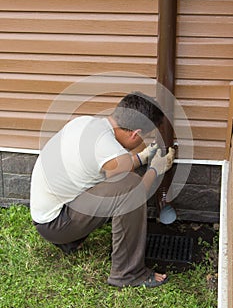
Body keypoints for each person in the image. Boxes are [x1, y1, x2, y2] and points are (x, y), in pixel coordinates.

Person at [30, 91, 175, 288]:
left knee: (119, 183)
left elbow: (113, 163)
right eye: (145, 138)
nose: (143, 143)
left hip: (46, 215)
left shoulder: (86, 123)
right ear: (135, 134)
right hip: (56, 225)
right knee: (130, 185)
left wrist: (143, 157)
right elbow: (136, 191)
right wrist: (155, 170)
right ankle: (128, 274)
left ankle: (72, 241)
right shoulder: (108, 148)